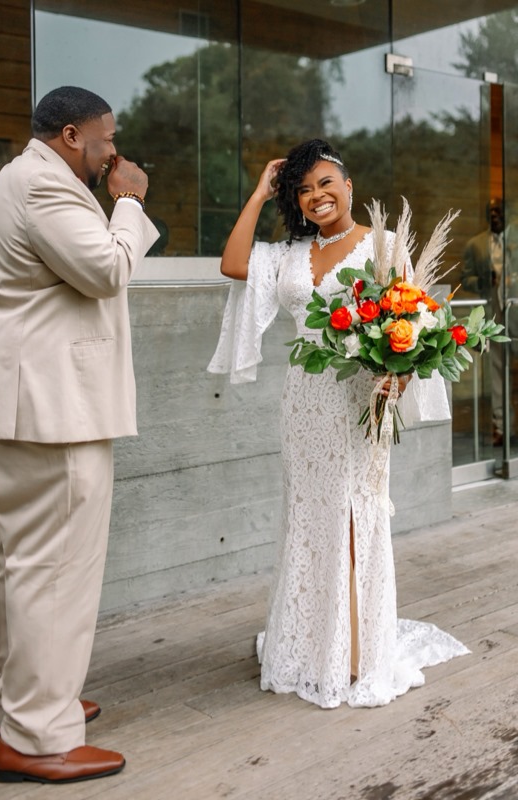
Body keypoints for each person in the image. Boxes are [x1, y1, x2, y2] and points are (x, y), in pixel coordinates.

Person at [208, 138, 468, 710]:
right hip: (304, 402)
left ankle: (353, 652)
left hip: (357, 399)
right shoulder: (287, 255)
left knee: (353, 515)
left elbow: (416, 320)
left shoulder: (385, 246)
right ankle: (309, 643)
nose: (316, 196)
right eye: (303, 190)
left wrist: (399, 377)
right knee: (309, 513)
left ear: (349, 187)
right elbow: (232, 263)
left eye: (326, 183)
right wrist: (258, 193)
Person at [0, 85, 159, 784]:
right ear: (72, 135)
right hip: (49, 413)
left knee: (27, 567)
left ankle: (16, 707)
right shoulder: (44, 186)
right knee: (57, 573)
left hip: (30, 408)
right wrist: (129, 200)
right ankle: (38, 737)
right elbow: (105, 270)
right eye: (106, 140)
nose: (113, 153)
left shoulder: (28, 179)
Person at [461, 199, 512, 445]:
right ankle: (500, 427)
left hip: (516, 311)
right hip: (493, 314)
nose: (495, 215)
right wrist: (483, 280)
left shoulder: (515, 240)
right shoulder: (475, 244)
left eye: (498, 211)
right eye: (490, 211)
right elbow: (465, 278)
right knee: (496, 371)